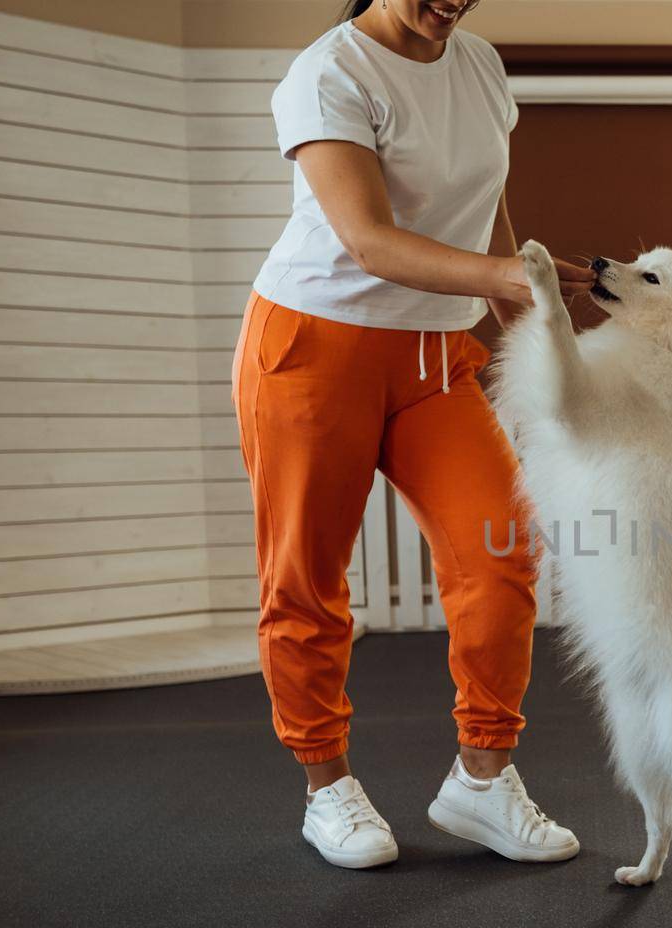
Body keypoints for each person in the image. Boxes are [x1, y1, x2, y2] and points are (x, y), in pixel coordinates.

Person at [232, 0, 596, 868]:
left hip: (434, 355)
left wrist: (534, 318)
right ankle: (327, 789)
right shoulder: (329, 73)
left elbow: (486, 209)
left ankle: (481, 779)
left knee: (500, 553)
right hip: (313, 344)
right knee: (306, 578)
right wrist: (507, 274)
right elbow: (367, 240)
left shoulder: (479, 65)